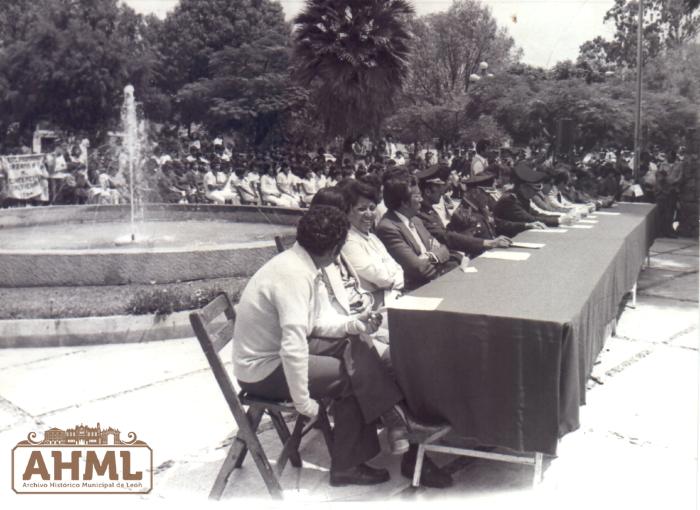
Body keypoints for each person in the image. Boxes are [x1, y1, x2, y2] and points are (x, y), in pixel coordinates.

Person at [232, 206, 443, 487]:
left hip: (276, 354)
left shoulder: (299, 262)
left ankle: (397, 421)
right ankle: (348, 464)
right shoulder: (294, 276)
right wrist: (303, 402)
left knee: (356, 342)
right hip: (263, 370)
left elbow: (315, 321)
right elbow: (293, 346)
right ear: (334, 249)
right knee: (350, 379)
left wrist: (352, 325)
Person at [376, 172, 461, 290]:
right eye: (417, 196)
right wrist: (436, 256)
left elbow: (443, 248)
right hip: (417, 289)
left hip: (435, 280)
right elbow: (418, 269)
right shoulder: (388, 228)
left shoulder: (416, 220)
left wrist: (428, 256)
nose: (421, 199)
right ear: (404, 203)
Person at [416, 166, 511, 258]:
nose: (442, 192)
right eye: (485, 194)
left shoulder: (430, 211)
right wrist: (488, 243)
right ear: (475, 193)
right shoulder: (465, 215)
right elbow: (447, 238)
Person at [339, 180, 404, 305]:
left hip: (392, 294)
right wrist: (394, 282)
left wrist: (394, 281)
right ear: (348, 211)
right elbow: (374, 274)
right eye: (362, 209)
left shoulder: (373, 238)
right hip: (372, 305)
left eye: (372, 208)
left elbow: (396, 267)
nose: (369, 214)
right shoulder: (347, 240)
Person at [494, 162, 569, 228]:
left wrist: (561, 217)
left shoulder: (522, 198)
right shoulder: (510, 200)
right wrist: (558, 220)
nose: (536, 192)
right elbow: (530, 219)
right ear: (523, 187)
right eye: (535, 188)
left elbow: (537, 214)